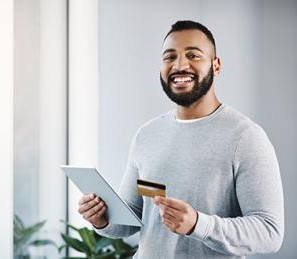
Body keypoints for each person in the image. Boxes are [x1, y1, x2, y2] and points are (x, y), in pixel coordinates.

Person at [77, 20, 284, 258]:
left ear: (216, 66)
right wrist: (102, 220)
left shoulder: (246, 137)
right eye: (170, 57)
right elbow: (131, 219)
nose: (180, 65)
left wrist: (198, 224)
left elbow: (270, 232)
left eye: (193, 55)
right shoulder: (147, 135)